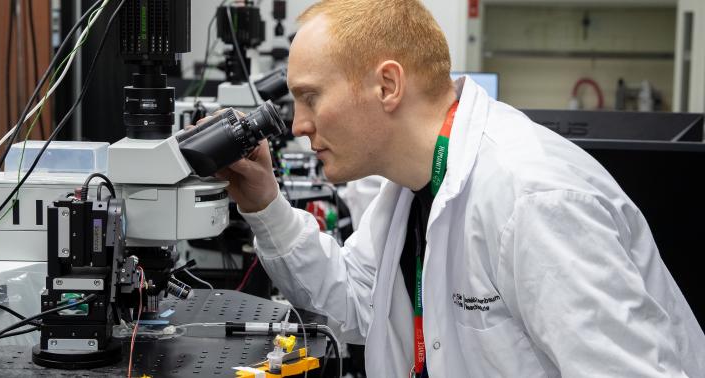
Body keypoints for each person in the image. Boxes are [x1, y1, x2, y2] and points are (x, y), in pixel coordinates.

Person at [212, 0, 705, 376]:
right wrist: (265, 204)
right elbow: (358, 302)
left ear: (387, 86)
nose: (298, 125)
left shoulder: (531, 197)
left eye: (310, 98)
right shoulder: (412, 185)